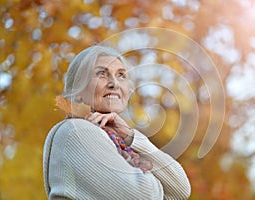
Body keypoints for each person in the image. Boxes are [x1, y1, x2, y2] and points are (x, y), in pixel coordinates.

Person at [43, 45, 191, 199]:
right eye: (101, 74)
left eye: (121, 75)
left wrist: (130, 136)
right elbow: (145, 196)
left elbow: (180, 190)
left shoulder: (115, 139)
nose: (114, 83)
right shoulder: (78, 131)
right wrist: (154, 181)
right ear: (78, 91)